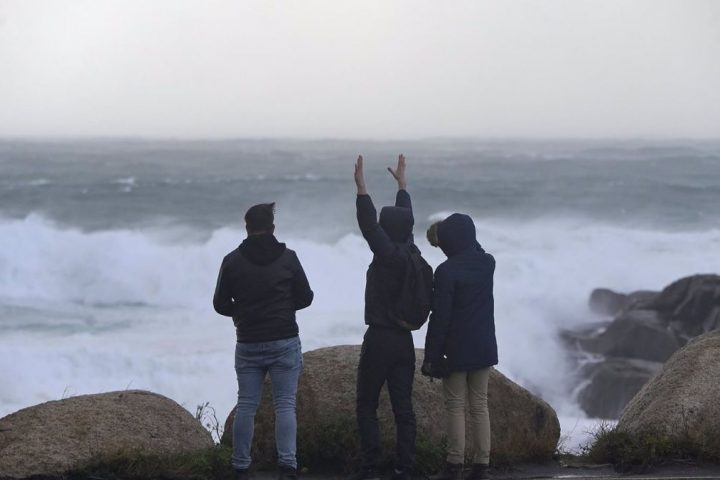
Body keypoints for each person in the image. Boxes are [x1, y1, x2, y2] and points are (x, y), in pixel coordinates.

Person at [213, 202, 314, 480]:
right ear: (272, 227)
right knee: (285, 405)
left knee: (246, 404)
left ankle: (241, 466)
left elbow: (219, 303)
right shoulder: (289, 258)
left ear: (247, 228)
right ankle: (288, 466)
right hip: (284, 340)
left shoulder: (231, 260)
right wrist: (283, 308)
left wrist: (242, 313)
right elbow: (306, 297)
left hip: (248, 341)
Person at [351, 154, 418, 480]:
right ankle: (405, 468)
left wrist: (362, 188)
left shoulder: (388, 255)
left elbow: (368, 226)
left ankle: (371, 467)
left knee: (366, 405)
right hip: (405, 341)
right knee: (403, 408)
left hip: (380, 338)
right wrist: (402, 188)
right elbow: (407, 221)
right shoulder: (411, 251)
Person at [422, 214, 498, 480]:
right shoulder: (488, 264)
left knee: (455, 405)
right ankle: (482, 466)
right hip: (484, 344)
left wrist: (431, 356)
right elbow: (479, 249)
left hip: (456, 349)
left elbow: (440, 317)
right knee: (479, 405)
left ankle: (454, 465)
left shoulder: (446, 271)